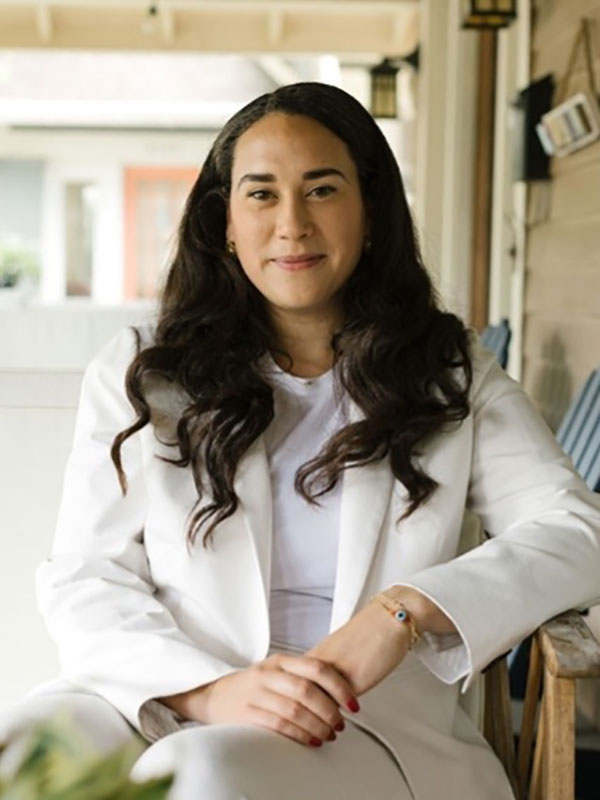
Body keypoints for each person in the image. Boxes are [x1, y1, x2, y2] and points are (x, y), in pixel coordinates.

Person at [5, 82, 600, 799]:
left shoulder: (445, 372)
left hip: (352, 720)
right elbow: (85, 574)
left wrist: (405, 610)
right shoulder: (146, 370)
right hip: (156, 688)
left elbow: (579, 531)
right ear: (225, 222)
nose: (292, 224)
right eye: (261, 194)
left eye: (321, 190)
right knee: (22, 758)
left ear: (370, 212)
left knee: (196, 773)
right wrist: (209, 690)